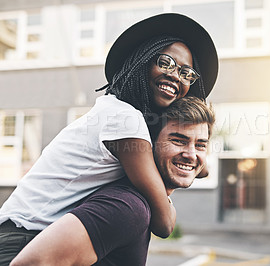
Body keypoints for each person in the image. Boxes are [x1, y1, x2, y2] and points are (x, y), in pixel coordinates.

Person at [0, 12, 218, 264]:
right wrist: (188, 172)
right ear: (142, 61)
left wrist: (192, 162)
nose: (175, 75)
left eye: (186, 73)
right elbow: (164, 223)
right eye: (166, 62)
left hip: (30, 237)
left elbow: (196, 170)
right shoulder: (124, 119)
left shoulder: (113, 112)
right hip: (20, 242)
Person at [9, 96, 215, 266]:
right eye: (178, 140)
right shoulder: (127, 207)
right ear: (148, 144)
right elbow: (30, 263)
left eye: (200, 145)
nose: (190, 154)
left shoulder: (145, 201)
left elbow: (199, 166)